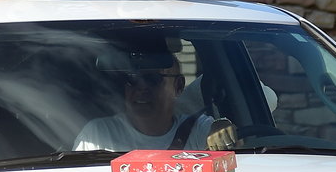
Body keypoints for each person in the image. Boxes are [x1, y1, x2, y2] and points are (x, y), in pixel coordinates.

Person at [72, 52, 227, 152]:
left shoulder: (200, 130)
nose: (141, 88)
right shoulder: (98, 134)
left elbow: (224, 146)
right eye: (132, 79)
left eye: (152, 79)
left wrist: (223, 128)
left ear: (178, 86)